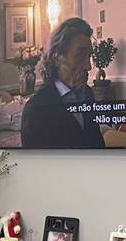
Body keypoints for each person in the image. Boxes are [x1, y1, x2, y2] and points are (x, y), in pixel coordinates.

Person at [21, 17, 104, 148]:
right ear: (57, 57)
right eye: (80, 55)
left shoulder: (87, 93)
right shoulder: (35, 109)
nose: (88, 66)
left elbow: (98, 145)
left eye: (89, 56)